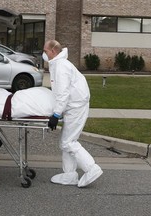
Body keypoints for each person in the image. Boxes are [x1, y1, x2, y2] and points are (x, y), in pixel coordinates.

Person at [42, 40, 103, 187]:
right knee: (65, 142)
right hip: (74, 106)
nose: (43, 54)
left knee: (69, 142)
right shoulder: (58, 64)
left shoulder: (61, 66)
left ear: (53, 51)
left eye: (45, 51)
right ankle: (69, 175)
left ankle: (91, 168)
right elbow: (60, 93)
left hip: (76, 106)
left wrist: (56, 114)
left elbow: (63, 93)